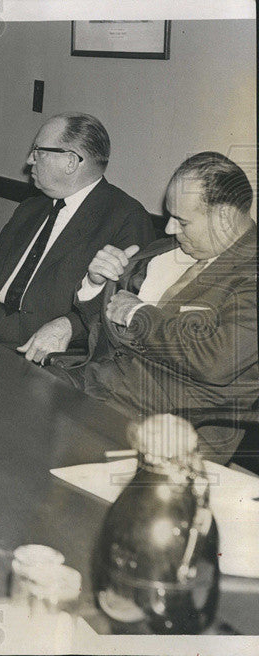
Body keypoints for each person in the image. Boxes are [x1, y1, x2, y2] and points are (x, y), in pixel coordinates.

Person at [50, 152, 257, 464]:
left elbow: (217, 358)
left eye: (183, 221)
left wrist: (138, 314)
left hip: (166, 430)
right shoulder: (167, 250)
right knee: (13, 400)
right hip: (94, 387)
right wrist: (95, 282)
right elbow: (105, 321)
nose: (170, 228)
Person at [0, 113, 155, 357]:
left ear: (71, 162)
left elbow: (121, 301)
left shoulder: (125, 217)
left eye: (38, 150)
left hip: (40, 349)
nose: (29, 159)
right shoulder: (31, 208)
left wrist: (70, 325)